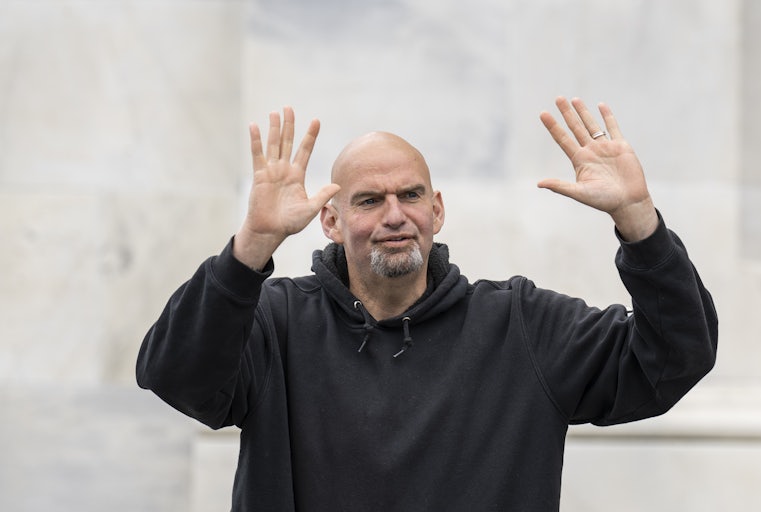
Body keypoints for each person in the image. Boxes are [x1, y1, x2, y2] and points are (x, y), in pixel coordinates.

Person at [136, 97, 717, 511]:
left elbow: (674, 359)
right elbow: (174, 374)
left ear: (436, 211)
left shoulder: (523, 325)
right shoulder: (273, 321)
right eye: (369, 200)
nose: (395, 215)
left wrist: (638, 220)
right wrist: (250, 249)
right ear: (331, 222)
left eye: (410, 194)